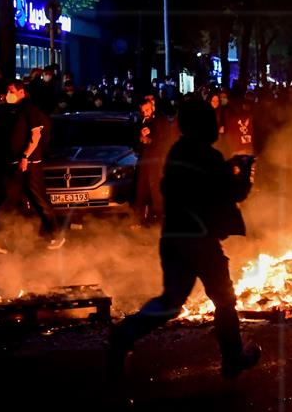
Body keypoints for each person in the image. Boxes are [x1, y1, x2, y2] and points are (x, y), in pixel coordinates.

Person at [108, 100, 261, 378]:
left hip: (175, 236)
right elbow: (231, 193)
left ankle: (124, 335)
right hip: (200, 240)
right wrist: (244, 173)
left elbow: (194, 182)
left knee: (171, 301)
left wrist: (229, 169)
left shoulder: (179, 152)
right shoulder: (206, 155)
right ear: (202, 125)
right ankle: (232, 358)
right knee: (224, 299)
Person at [0, 80, 64, 253]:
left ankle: (56, 235)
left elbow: (36, 135)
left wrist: (26, 156)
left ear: (21, 92)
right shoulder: (9, 110)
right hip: (15, 164)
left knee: (39, 200)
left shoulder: (30, 109)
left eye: (11, 90)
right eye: (7, 90)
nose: (8, 93)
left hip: (30, 164)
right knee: (8, 201)